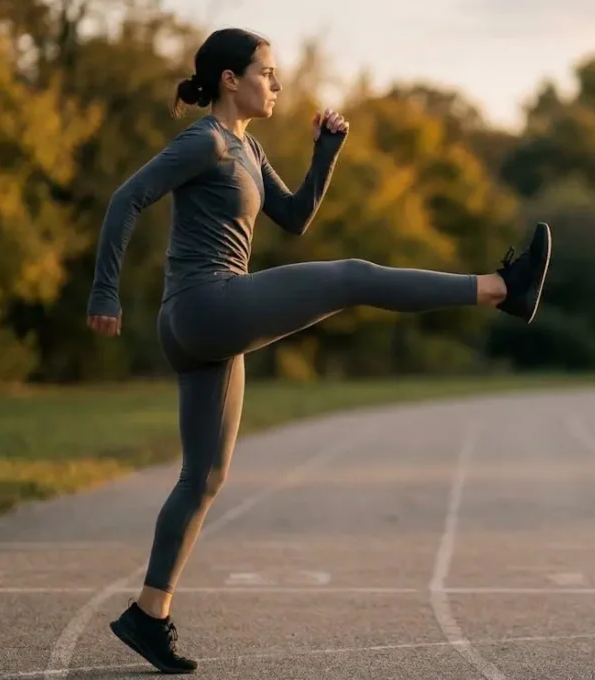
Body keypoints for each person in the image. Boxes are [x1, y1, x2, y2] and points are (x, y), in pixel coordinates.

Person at [84, 27, 551, 674]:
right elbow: (126, 198)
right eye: (266, 73)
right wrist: (105, 291)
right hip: (205, 304)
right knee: (352, 277)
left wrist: (325, 153)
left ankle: (148, 614)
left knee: (204, 478)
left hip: (203, 323)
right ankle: (502, 288)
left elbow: (297, 217)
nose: (276, 84)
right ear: (230, 80)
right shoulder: (206, 140)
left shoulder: (247, 149)